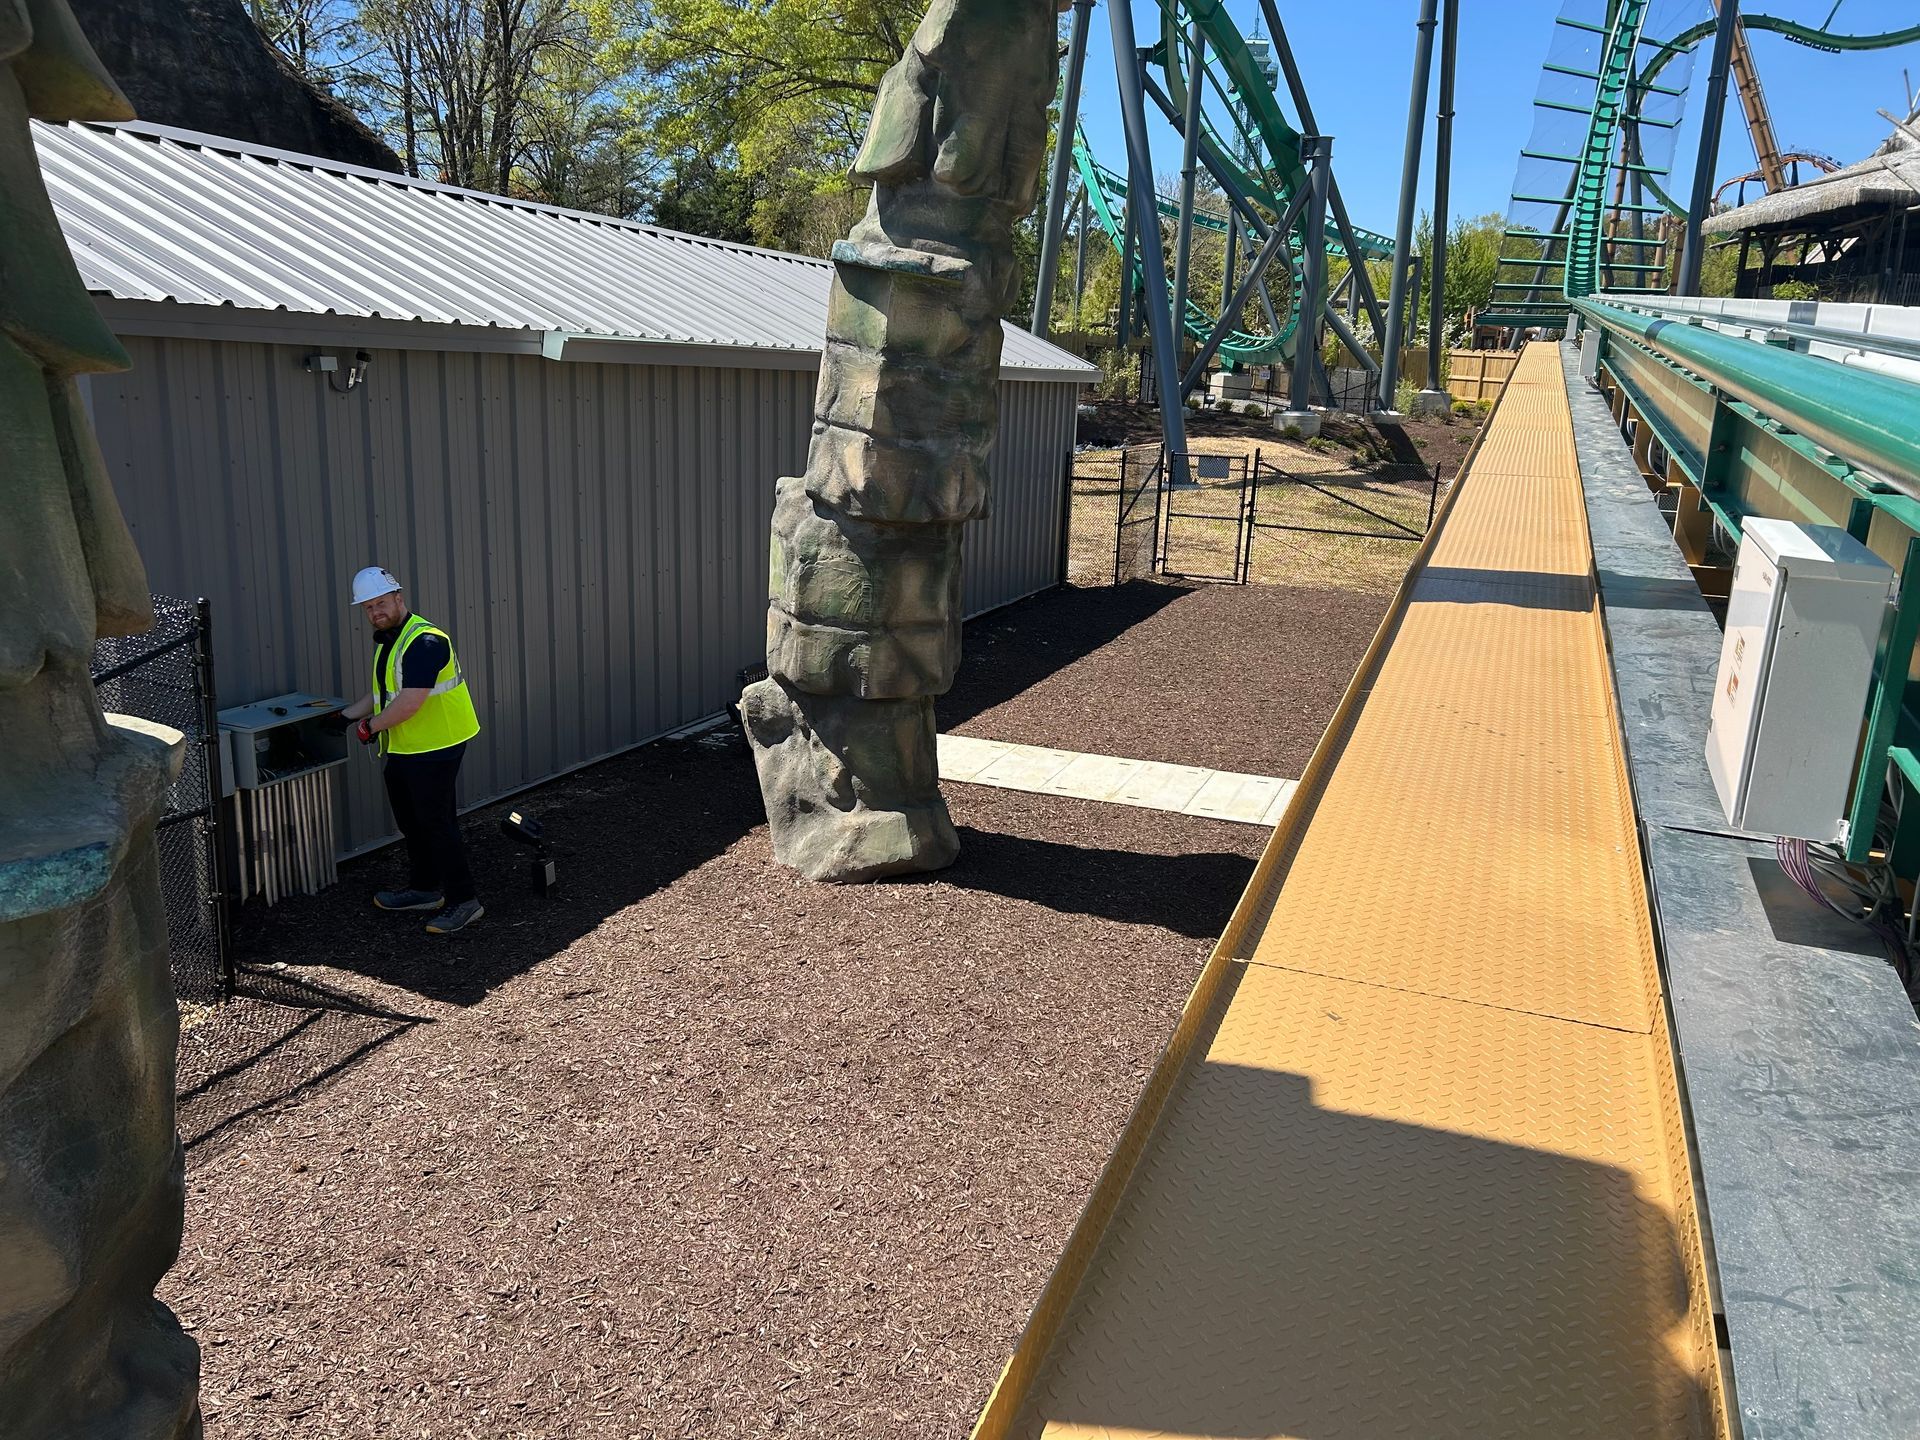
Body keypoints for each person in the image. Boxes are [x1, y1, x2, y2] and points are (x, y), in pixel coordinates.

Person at [331, 566, 484, 934]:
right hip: (405, 746)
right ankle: (425, 889)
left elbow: (409, 703)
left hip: (437, 745)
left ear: (398, 598)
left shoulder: (425, 642)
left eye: (380, 603)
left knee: (436, 823)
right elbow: (385, 692)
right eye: (367, 607)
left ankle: (465, 901)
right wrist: (346, 717)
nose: (374, 612)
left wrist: (369, 727)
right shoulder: (390, 639)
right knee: (412, 822)